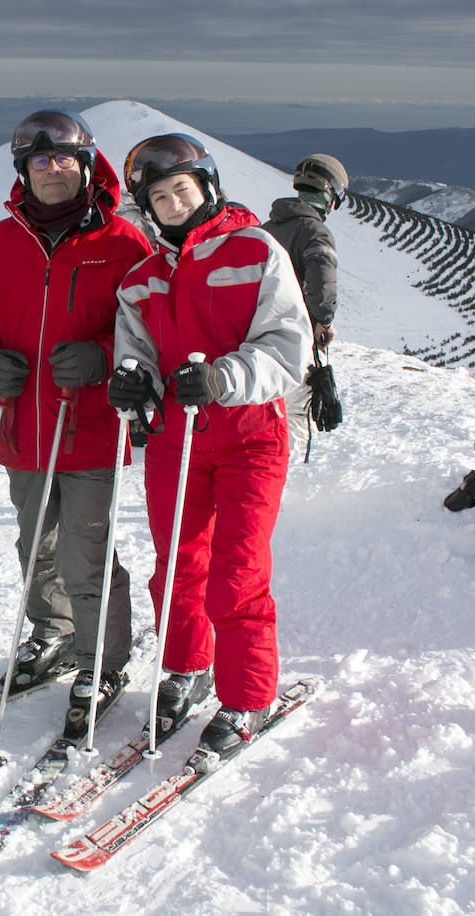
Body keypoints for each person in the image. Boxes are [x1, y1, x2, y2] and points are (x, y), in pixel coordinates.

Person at [108, 133, 312, 761]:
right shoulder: (141, 277)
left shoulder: (255, 250)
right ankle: (187, 666)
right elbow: (134, 349)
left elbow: (286, 344)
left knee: (237, 570)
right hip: (175, 439)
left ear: (208, 187)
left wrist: (224, 377)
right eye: (159, 197)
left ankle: (249, 692)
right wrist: (132, 380)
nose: (172, 204)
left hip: (250, 433)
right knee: (176, 565)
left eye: (182, 191)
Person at [0, 109, 152, 724]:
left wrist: (104, 355)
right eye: (40, 161)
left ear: (87, 166)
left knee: (85, 552)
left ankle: (102, 659)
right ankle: (53, 628)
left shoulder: (122, 243)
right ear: (23, 171)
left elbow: (152, 325)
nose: (54, 170)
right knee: (35, 545)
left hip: (89, 427)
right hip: (22, 427)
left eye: (65, 159)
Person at [262, 154, 349, 450]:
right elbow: (321, 283)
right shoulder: (315, 232)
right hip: (294, 339)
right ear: (330, 193)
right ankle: (280, 480)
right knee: (295, 414)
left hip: (256, 336)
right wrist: (322, 321)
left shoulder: (265, 230)